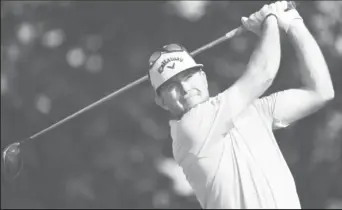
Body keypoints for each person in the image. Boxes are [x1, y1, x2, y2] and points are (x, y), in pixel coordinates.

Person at [147, 1, 334, 209]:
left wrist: (293, 23)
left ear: (203, 77)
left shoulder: (253, 111)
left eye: (189, 75)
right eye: (171, 85)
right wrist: (270, 19)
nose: (184, 87)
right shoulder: (189, 130)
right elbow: (263, 73)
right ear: (161, 101)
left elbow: (320, 92)